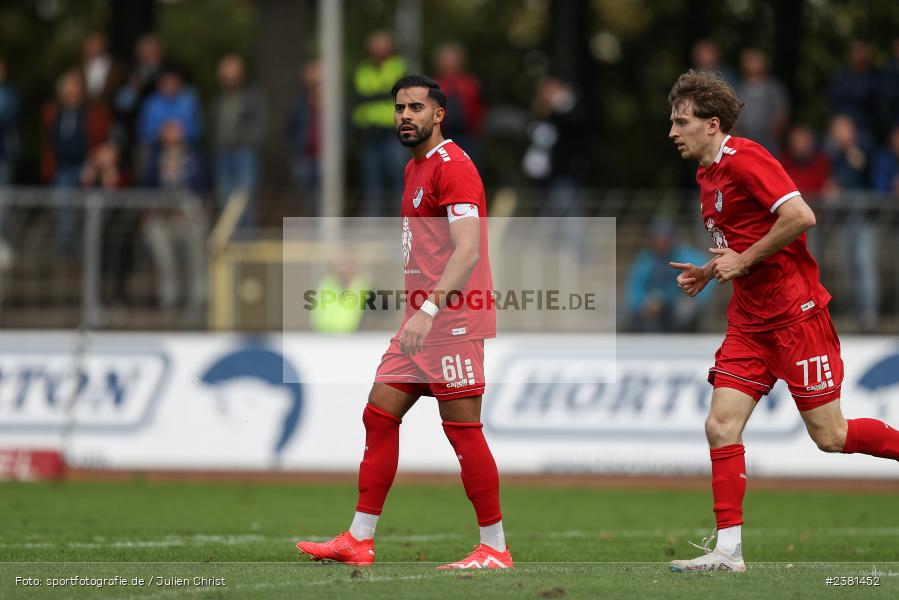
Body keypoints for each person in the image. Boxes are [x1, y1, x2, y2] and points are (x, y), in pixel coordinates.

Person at [665, 70, 899, 573]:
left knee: (830, 436)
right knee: (720, 426)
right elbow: (742, 240)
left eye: (681, 122)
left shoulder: (747, 158)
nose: (672, 132)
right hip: (749, 322)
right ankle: (728, 552)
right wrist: (710, 270)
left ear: (711, 124)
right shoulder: (706, 174)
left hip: (796, 316)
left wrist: (743, 261)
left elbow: (800, 216)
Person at [295, 75, 511, 570]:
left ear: (439, 114)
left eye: (416, 107)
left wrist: (431, 309)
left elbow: (469, 250)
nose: (405, 115)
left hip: (452, 319)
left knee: (463, 431)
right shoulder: (416, 169)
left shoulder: (453, 168)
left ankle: (495, 548)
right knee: (378, 414)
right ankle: (359, 539)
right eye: (399, 108)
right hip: (422, 323)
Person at [352, 31, 407, 216]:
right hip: (369, 132)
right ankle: (373, 218)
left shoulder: (399, 67)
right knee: (371, 180)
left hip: (393, 131)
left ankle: (405, 215)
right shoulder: (362, 69)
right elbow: (358, 98)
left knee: (399, 175)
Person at [626, 218, 712, 332]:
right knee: (634, 318)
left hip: (679, 306)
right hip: (653, 309)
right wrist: (643, 303)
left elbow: (705, 275)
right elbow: (635, 288)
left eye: (666, 237)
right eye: (658, 237)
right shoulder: (645, 259)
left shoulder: (686, 256)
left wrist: (694, 301)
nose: (662, 241)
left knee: (684, 315)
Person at [211, 54, 265, 227]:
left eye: (234, 77)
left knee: (244, 201)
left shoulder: (253, 97)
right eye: (227, 77)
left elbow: (261, 125)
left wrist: (246, 141)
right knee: (224, 199)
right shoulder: (218, 100)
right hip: (222, 154)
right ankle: (230, 246)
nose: (230, 81)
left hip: (244, 154)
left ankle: (245, 247)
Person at [733, 48, 788, 153]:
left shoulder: (774, 88)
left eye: (756, 60)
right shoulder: (738, 89)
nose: (753, 64)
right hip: (744, 141)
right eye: (750, 60)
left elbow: (781, 113)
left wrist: (773, 134)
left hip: (769, 141)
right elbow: (732, 114)